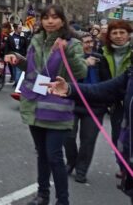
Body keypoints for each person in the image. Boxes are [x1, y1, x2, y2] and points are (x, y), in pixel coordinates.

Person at [4, 4, 87, 205]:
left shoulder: (72, 43)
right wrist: (19, 59)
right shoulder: (36, 40)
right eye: (46, 17)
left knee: (54, 156)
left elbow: (80, 73)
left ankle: (62, 200)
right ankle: (43, 195)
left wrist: (66, 53)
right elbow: (34, 68)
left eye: (55, 17)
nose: (50, 21)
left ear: (62, 20)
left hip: (56, 108)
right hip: (34, 104)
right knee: (42, 154)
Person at [43, 64, 133, 205]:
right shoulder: (130, 73)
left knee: (88, 140)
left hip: (96, 113)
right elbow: (104, 89)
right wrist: (70, 89)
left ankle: (81, 170)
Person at [63, 33, 110, 184]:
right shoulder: (71, 60)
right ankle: (71, 161)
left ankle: (81, 170)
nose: (89, 45)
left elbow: (108, 81)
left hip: (94, 107)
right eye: (85, 42)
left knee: (88, 140)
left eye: (91, 42)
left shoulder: (100, 59)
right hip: (73, 103)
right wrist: (83, 63)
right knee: (68, 135)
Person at [100, 20, 132, 178]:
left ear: (129, 35)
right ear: (109, 36)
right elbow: (105, 79)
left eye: (122, 32)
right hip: (115, 101)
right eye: (114, 33)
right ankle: (122, 166)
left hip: (130, 99)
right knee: (117, 136)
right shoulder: (104, 53)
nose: (118, 36)